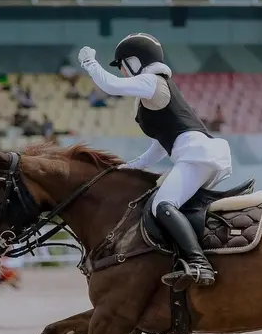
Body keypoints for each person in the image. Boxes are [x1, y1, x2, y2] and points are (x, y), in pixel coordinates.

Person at [77, 33, 232, 289]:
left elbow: (112, 86)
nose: (125, 72)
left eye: (124, 65)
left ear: (136, 61)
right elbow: (160, 145)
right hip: (195, 154)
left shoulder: (152, 81)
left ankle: (199, 263)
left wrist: (90, 63)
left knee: (163, 206)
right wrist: (130, 167)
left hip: (196, 154)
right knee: (162, 202)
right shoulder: (155, 92)